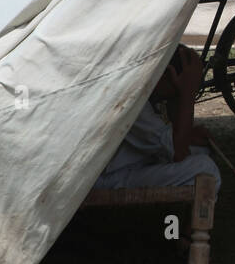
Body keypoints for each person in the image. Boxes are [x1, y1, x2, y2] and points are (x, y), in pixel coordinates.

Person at [94, 45, 221, 192]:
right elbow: (179, 152)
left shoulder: (143, 89)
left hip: (129, 164)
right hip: (104, 179)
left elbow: (173, 137)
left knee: (201, 150)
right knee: (206, 169)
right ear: (168, 73)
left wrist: (190, 135)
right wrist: (187, 92)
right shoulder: (134, 102)